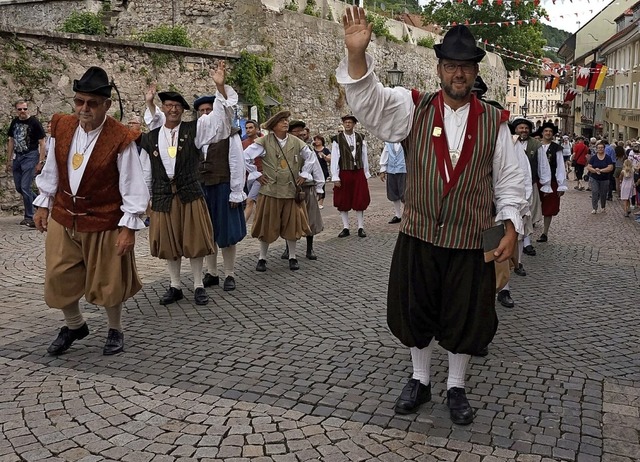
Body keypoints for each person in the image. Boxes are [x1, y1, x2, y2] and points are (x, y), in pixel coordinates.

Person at [337, 8, 526, 425]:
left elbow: (511, 182)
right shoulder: (412, 107)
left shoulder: (496, 122)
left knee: (466, 316)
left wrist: (511, 227)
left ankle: (455, 386)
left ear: (476, 72)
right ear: (439, 68)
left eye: (466, 67)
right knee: (415, 309)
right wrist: (356, 56)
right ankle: (420, 379)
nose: (458, 74)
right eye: (451, 65)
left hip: (473, 238)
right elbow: (369, 104)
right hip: (420, 233)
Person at [33, 66, 149, 356]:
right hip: (64, 215)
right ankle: (74, 325)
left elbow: (133, 184)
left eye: (92, 104)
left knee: (109, 281)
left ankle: (115, 329)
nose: (84, 109)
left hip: (104, 219)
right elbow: (53, 167)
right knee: (58, 277)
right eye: (79, 101)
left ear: (107, 105)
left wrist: (128, 227)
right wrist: (43, 203)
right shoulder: (62, 126)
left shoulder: (120, 137)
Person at [140, 61, 236, 306]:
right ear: (163, 108)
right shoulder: (151, 137)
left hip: (190, 193)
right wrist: (146, 200)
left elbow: (219, 121)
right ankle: (174, 286)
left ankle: (198, 285)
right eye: (168, 105)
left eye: (177, 107)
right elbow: (145, 171)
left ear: (183, 110)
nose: (172, 110)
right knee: (170, 244)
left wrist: (219, 87)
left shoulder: (195, 129)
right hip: (163, 196)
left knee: (193, 241)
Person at [244, 110, 315, 272]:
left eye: (286, 120)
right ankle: (262, 258)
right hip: (270, 190)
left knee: (292, 225)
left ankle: (292, 257)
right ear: (274, 125)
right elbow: (245, 156)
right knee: (266, 225)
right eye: (282, 121)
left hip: (290, 191)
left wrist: (304, 174)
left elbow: (310, 157)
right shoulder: (264, 141)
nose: (285, 123)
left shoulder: (296, 142)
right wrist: (256, 174)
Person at [194, 95, 247, 292]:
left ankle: (230, 273)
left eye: (209, 110)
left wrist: (236, 191)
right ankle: (212, 273)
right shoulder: (196, 135)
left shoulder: (229, 134)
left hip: (223, 187)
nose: (206, 114)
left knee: (226, 233)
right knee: (207, 232)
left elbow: (236, 162)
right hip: (203, 188)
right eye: (202, 111)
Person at [282, 120, 325, 260]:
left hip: (307, 187)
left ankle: (309, 248)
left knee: (310, 218)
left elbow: (316, 168)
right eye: (297, 131)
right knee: (288, 218)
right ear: (290, 133)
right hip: (289, 188)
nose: (300, 134)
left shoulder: (308, 149)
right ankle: (288, 249)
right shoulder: (284, 148)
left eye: (302, 132)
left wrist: (320, 187)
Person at [5, 99, 46, 228]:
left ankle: (30, 217)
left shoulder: (34, 123)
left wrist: (40, 161)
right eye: (20, 109)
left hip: (30, 156)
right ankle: (40, 205)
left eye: (25, 109)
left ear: (28, 109)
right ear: (16, 110)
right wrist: (9, 159)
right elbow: (11, 140)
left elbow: (42, 143)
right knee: (19, 187)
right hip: (18, 157)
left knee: (25, 187)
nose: (22, 111)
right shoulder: (15, 122)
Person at [511, 118, 549, 257]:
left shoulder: (535, 145)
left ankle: (526, 242)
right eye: (521, 128)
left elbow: (543, 165)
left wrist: (546, 184)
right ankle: (516, 241)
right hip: (512, 185)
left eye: (526, 128)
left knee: (528, 213)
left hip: (530, 184)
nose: (524, 130)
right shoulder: (510, 142)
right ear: (515, 129)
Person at [331, 114, 371, 238]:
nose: (347, 124)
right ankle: (346, 227)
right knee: (343, 199)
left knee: (360, 198)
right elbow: (334, 158)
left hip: (358, 171)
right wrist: (335, 176)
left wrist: (365, 173)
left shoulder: (360, 137)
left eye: (350, 122)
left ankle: (360, 227)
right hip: (344, 171)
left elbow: (364, 156)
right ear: (343, 124)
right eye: (346, 122)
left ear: (354, 124)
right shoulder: (337, 139)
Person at [535, 122, 567, 244]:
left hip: (551, 181)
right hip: (536, 180)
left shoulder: (556, 149)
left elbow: (560, 166)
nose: (548, 133)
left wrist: (561, 185)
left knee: (549, 208)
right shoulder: (536, 146)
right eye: (546, 131)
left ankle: (545, 232)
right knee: (532, 205)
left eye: (550, 131)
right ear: (542, 133)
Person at [379, 142, 406, 224]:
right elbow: (385, 155)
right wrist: (383, 169)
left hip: (404, 170)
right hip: (391, 170)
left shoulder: (406, 143)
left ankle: (406, 214)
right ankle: (398, 215)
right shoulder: (388, 143)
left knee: (404, 192)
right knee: (393, 192)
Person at [586, 141, 615, 214]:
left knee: (603, 193)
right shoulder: (593, 158)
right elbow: (589, 167)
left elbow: (610, 167)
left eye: (602, 148)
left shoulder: (607, 158)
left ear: (604, 148)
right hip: (594, 178)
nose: (600, 149)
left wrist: (601, 170)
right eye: (599, 148)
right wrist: (595, 170)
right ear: (596, 149)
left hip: (605, 178)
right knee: (595, 192)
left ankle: (603, 207)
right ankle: (594, 208)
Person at [243, 119, 262, 223]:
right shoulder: (243, 143)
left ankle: (242, 225)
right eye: (246, 128)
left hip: (260, 176)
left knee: (250, 201)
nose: (248, 130)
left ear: (257, 129)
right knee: (257, 202)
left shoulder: (262, 141)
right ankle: (260, 224)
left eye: (251, 127)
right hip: (248, 177)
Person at [312, 134, 331, 209]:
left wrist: (324, 156)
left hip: (323, 169)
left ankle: (320, 202)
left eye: (318, 140)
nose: (317, 141)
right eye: (315, 140)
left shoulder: (325, 150)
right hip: (314, 170)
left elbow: (329, 159)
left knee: (322, 185)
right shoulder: (312, 150)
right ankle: (314, 201)